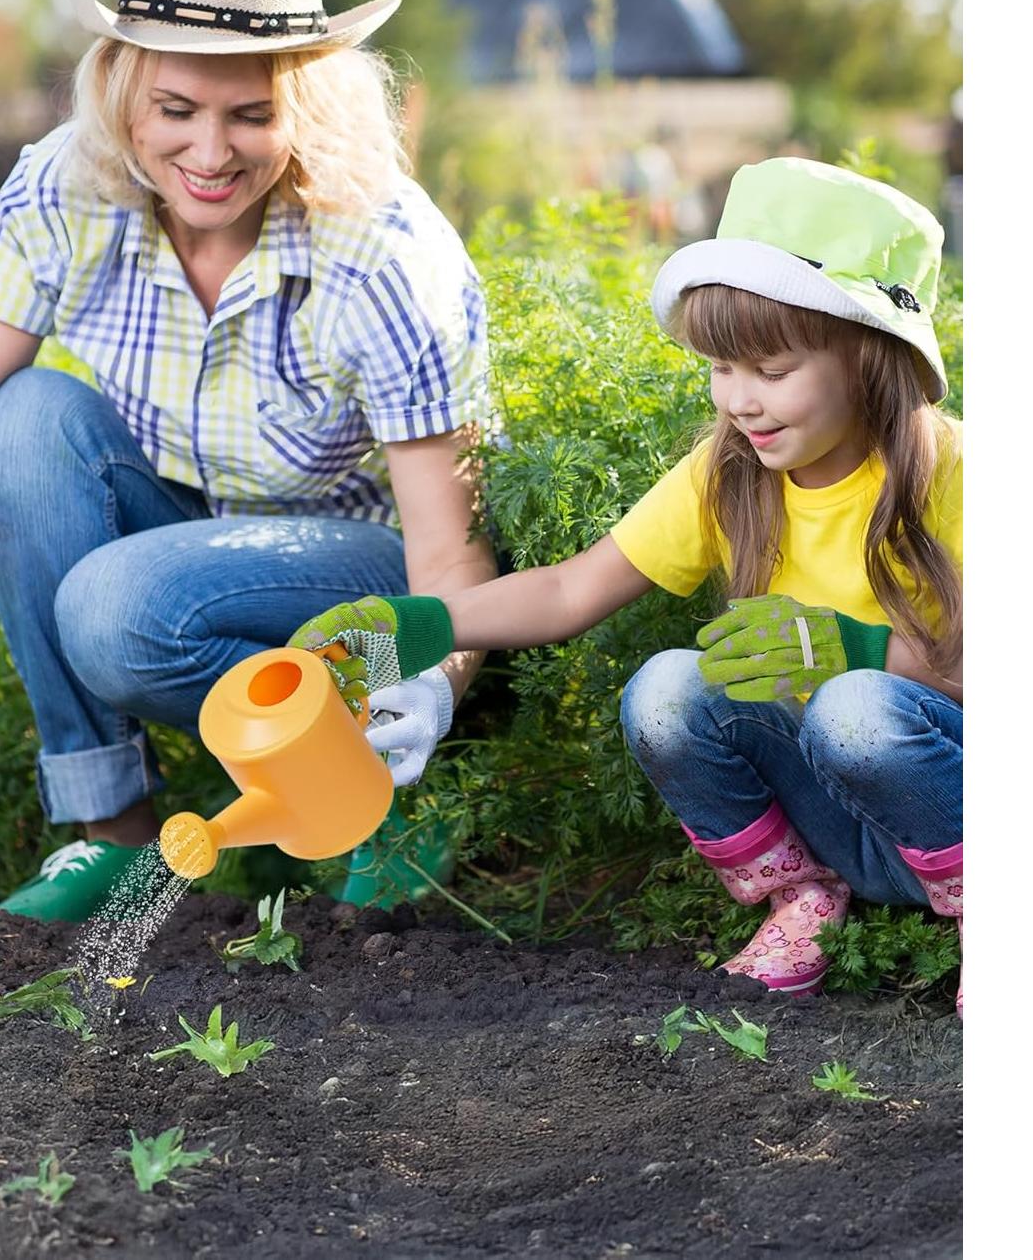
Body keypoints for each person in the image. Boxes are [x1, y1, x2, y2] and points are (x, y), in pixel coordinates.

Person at [0, 0, 496, 952]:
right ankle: (112, 828)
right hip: (187, 531)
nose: (208, 151)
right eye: (177, 109)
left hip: (357, 576)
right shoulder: (63, 194)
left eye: (249, 114)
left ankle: (375, 789)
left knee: (119, 608)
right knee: (21, 417)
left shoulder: (380, 251)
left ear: (302, 105)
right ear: (124, 91)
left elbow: (448, 550)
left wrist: (437, 687)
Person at [291, 158, 964, 1012]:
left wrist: (856, 651)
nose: (741, 402)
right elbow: (571, 591)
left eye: (772, 370)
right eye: (722, 369)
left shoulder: (956, 473)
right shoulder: (730, 473)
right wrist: (416, 629)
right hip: (850, 819)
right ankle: (806, 898)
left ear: (871, 359)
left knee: (855, 706)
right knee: (664, 691)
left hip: (956, 799)